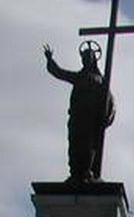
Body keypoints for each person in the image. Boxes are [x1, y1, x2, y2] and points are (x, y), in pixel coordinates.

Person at [43, 41, 115, 183]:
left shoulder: (101, 81)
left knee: (88, 146)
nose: (86, 60)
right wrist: (50, 59)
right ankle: (75, 173)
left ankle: (87, 173)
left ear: (94, 59)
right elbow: (60, 73)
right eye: (84, 58)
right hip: (77, 118)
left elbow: (110, 101)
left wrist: (106, 116)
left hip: (91, 120)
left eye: (89, 58)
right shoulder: (79, 77)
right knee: (74, 146)